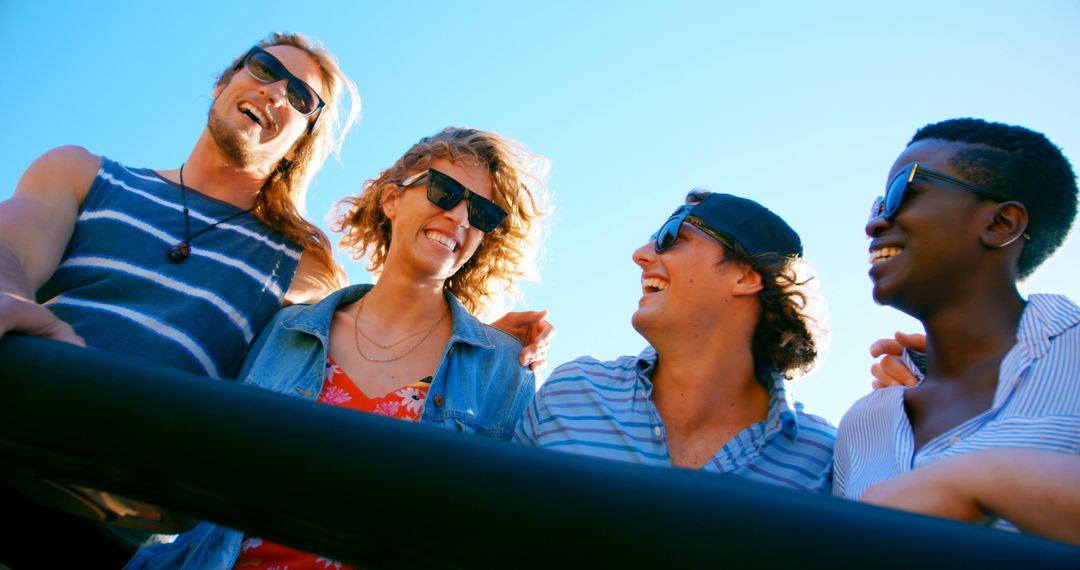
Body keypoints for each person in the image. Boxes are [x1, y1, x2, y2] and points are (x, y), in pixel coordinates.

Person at [0, 32, 360, 567]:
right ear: (224, 82)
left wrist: (492, 336)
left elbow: (373, 344)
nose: (276, 93)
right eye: (264, 69)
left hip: (116, 535)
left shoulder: (302, 267)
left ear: (301, 138)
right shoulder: (83, 174)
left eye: (302, 98)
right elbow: (12, 248)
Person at [127, 126, 550, 569]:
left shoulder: (503, 368)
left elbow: (494, 531)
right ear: (391, 199)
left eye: (481, 213)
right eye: (445, 191)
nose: (460, 218)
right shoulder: (285, 329)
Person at [833, 118, 1080, 537]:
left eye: (902, 193)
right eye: (879, 204)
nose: (875, 224)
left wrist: (982, 481)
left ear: (1000, 224)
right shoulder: (862, 424)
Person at [514, 190, 835, 493]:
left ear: (745, 277)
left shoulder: (823, 460)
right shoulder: (571, 393)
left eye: (671, 237)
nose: (640, 255)